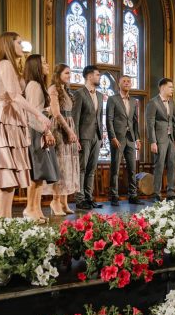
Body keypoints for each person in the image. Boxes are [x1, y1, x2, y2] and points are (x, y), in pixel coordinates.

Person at [0, 32, 50, 218]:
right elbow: (14, 96)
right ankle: (3, 219)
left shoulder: (9, 66)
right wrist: (39, 115)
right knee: (7, 173)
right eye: (19, 43)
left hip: (12, 119)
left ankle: (5, 219)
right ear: (8, 44)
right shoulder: (4, 64)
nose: (22, 46)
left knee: (10, 176)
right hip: (6, 119)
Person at [22, 55, 58, 223]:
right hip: (36, 132)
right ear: (36, 66)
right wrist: (46, 131)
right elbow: (33, 115)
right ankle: (30, 208)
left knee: (40, 174)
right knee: (36, 174)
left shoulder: (37, 85)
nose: (47, 65)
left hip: (38, 131)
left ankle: (36, 208)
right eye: (43, 62)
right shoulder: (34, 86)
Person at [43, 64, 79, 216]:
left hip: (69, 125)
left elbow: (69, 113)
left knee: (68, 166)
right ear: (58, 74)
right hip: (59, 128)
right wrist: (69, 131)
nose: (69, 75)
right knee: (60, 165)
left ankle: (64, 202)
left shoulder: (66, 90)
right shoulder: (53, 89)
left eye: (70, 73)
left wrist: (74, 135)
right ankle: (55, 201)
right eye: (66, 73)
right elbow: (56, 113)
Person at [106, 75, 144, 206]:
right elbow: (109, 119)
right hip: (118, 139)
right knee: (115, 168)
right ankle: (114, 196)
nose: (127, 83)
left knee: (132, 169)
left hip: (130, 138)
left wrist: (137, 138)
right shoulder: (112, 99)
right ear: (119, 84)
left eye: (129, 81)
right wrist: (112, 137)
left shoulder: (134, 101)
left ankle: (133, 195)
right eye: (124, 81)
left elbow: (135, 121)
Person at [72, 65, 104, 210]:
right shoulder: (79, 94)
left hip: (96, 136)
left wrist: (101, 136)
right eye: (97, 75)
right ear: (89, 76)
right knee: (82, 168)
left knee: (91, 169)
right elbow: (75, 118)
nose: (99, 77)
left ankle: (89, 198)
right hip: (84, 136)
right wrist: (76, 139)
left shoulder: (99, 95)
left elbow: (99, 117)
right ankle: (80, 199)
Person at [145, 78, 175, 202]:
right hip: (159, 139)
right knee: (159, 166)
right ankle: (157, 193)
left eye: (172, 87)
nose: (172, 89)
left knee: (172, 164)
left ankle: (171, 192)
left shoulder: (172, 102)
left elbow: (174, 122)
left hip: (171, 139)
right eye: (170, 87)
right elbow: (150, 124)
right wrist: (153, 142)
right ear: (163, 88)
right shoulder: (153, 102)